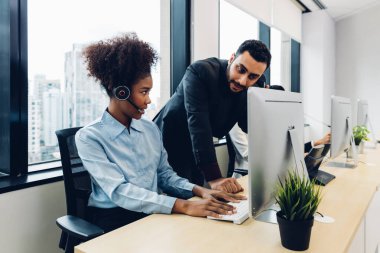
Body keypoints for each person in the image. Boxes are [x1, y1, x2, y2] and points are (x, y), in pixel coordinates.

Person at [75, 33, 245, 233]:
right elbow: (120, 192)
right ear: (121, 92)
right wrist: (185, 205)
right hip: (114, 218)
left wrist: (202, 191)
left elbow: (165, 175)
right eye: (144, 92)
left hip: (152, 212)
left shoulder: (150, 129)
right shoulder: (89, 137)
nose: (148, 101)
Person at [154, 40, 271, 193]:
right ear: (232, 58)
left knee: (195, 193)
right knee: (180, 194)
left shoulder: (253, 86)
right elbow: (198, 125)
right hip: (170, 139)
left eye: (253, 76)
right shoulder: (200, 71)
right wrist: (215, 178)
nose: (243, 80)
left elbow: (247, 124)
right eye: (240, 69)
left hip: (196, 146)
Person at [228, 84, 330, 175]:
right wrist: (292, 159)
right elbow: (248, 155)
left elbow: (283, 147)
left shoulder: (270, 119)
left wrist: (314, 145)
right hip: (248, 174)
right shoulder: (234, 122)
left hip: (275, 171)